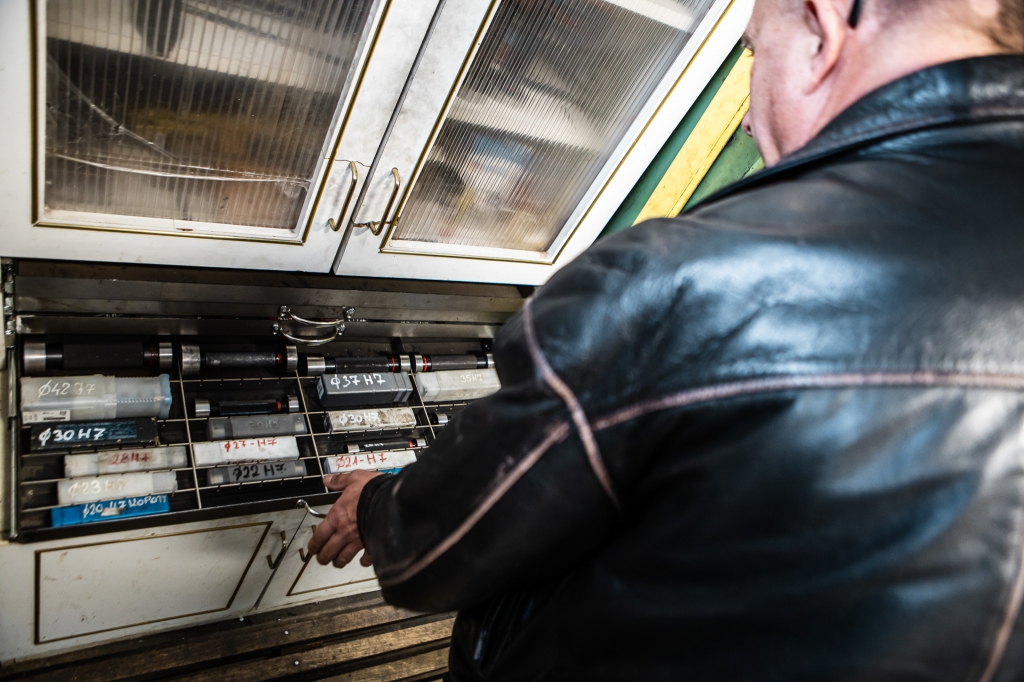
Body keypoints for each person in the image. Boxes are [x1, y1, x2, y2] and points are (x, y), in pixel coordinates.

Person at [308, 0, 1024, 678]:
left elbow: (437, 553)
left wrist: (375, 502)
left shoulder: (690, 277)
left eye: (755, 52)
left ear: (823, 25)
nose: (749, 122)